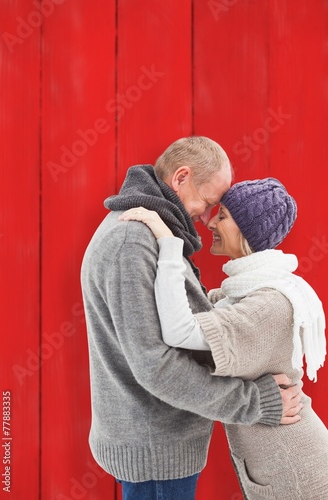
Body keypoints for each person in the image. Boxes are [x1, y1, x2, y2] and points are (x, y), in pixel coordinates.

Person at [81, 137, 302, 500]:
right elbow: (157, 367)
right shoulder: (133, 243)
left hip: (159, 445)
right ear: (181, 177)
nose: (206, 218)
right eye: (209, 202)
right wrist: (255, 403)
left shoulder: (150, 232)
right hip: (156, 452)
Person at [119, 177, 328, 499]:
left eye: (224, 216)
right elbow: (188, 314)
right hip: (276, 464)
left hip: (294, 467)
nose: (211, 222)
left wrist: (168, 241)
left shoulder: (267, 304)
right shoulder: (237, 296)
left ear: (248, 230)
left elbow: (181, 329)